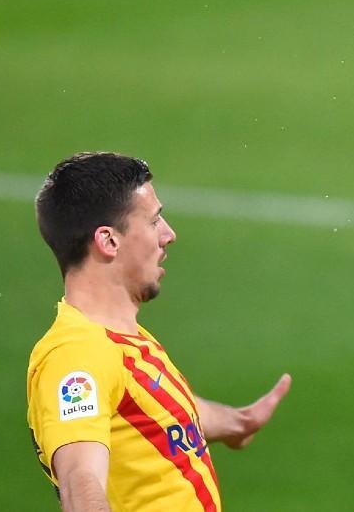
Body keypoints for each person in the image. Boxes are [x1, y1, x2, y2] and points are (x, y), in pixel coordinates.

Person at [26, 152, 291, 512]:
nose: (169, 235)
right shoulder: (77, 358)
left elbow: (164, 414)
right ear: (109, 241)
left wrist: (237, 422)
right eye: (153, 222)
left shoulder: (121, 340)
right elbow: (81, 483)